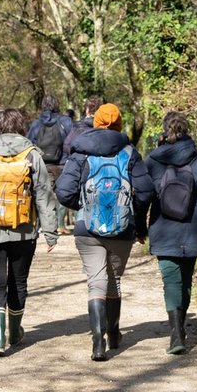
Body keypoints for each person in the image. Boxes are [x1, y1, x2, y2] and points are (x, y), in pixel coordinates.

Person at [56, 102, 152, 361]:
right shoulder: (129, 153)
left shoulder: (80, 152)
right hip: (123, 228)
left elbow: (64, 191)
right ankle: (114, 333)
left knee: (95, 282)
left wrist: (83, 205)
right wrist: (138, 223)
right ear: (120, 123)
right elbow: (145, 192)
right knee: (114, 280)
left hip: (87, 229)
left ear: (96, 122)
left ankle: (98, 343)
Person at [0, 107, 58, 356]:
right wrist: (50, 231)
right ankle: (15, 333)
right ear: (21, 127)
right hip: (23, 231)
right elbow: (44, 196)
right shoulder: (32, 155)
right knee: (18, 282)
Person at [142, 110, 197, 354]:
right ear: (188, 131)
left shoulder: (153, 160)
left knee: (171, 281)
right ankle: (180, 329)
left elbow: (143, 195)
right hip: (192, 228)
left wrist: (138, 225)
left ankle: (176, 333)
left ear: (164, 131)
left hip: (163, 229)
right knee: (185, 281)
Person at [26, 94, 75, 233]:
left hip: (43, 165)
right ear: (57, 104)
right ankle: (60, 225)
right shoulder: (66, 121)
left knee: (42, 195)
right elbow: (72, 141)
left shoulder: (36, 123)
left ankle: (42, 225)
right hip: (63, 164)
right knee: (63, 194)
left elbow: (29, 144)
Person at [58, 94, 102, 234]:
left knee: (76, 192)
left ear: (87, 110)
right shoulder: (104, 128)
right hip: (98, 167)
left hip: (79, 164)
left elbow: (67, 145)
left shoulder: (78, 127)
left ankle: (79, 223)